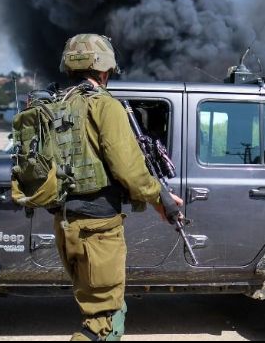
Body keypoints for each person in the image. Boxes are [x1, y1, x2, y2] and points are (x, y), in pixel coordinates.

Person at [54, 33, 184, 341]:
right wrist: (162, 199)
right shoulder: (104, 106)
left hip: (65, 224)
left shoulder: (57, 105)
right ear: (103, 70)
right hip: (97, 229)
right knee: (105, 322)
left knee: (96, 309)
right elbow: (130, 171)